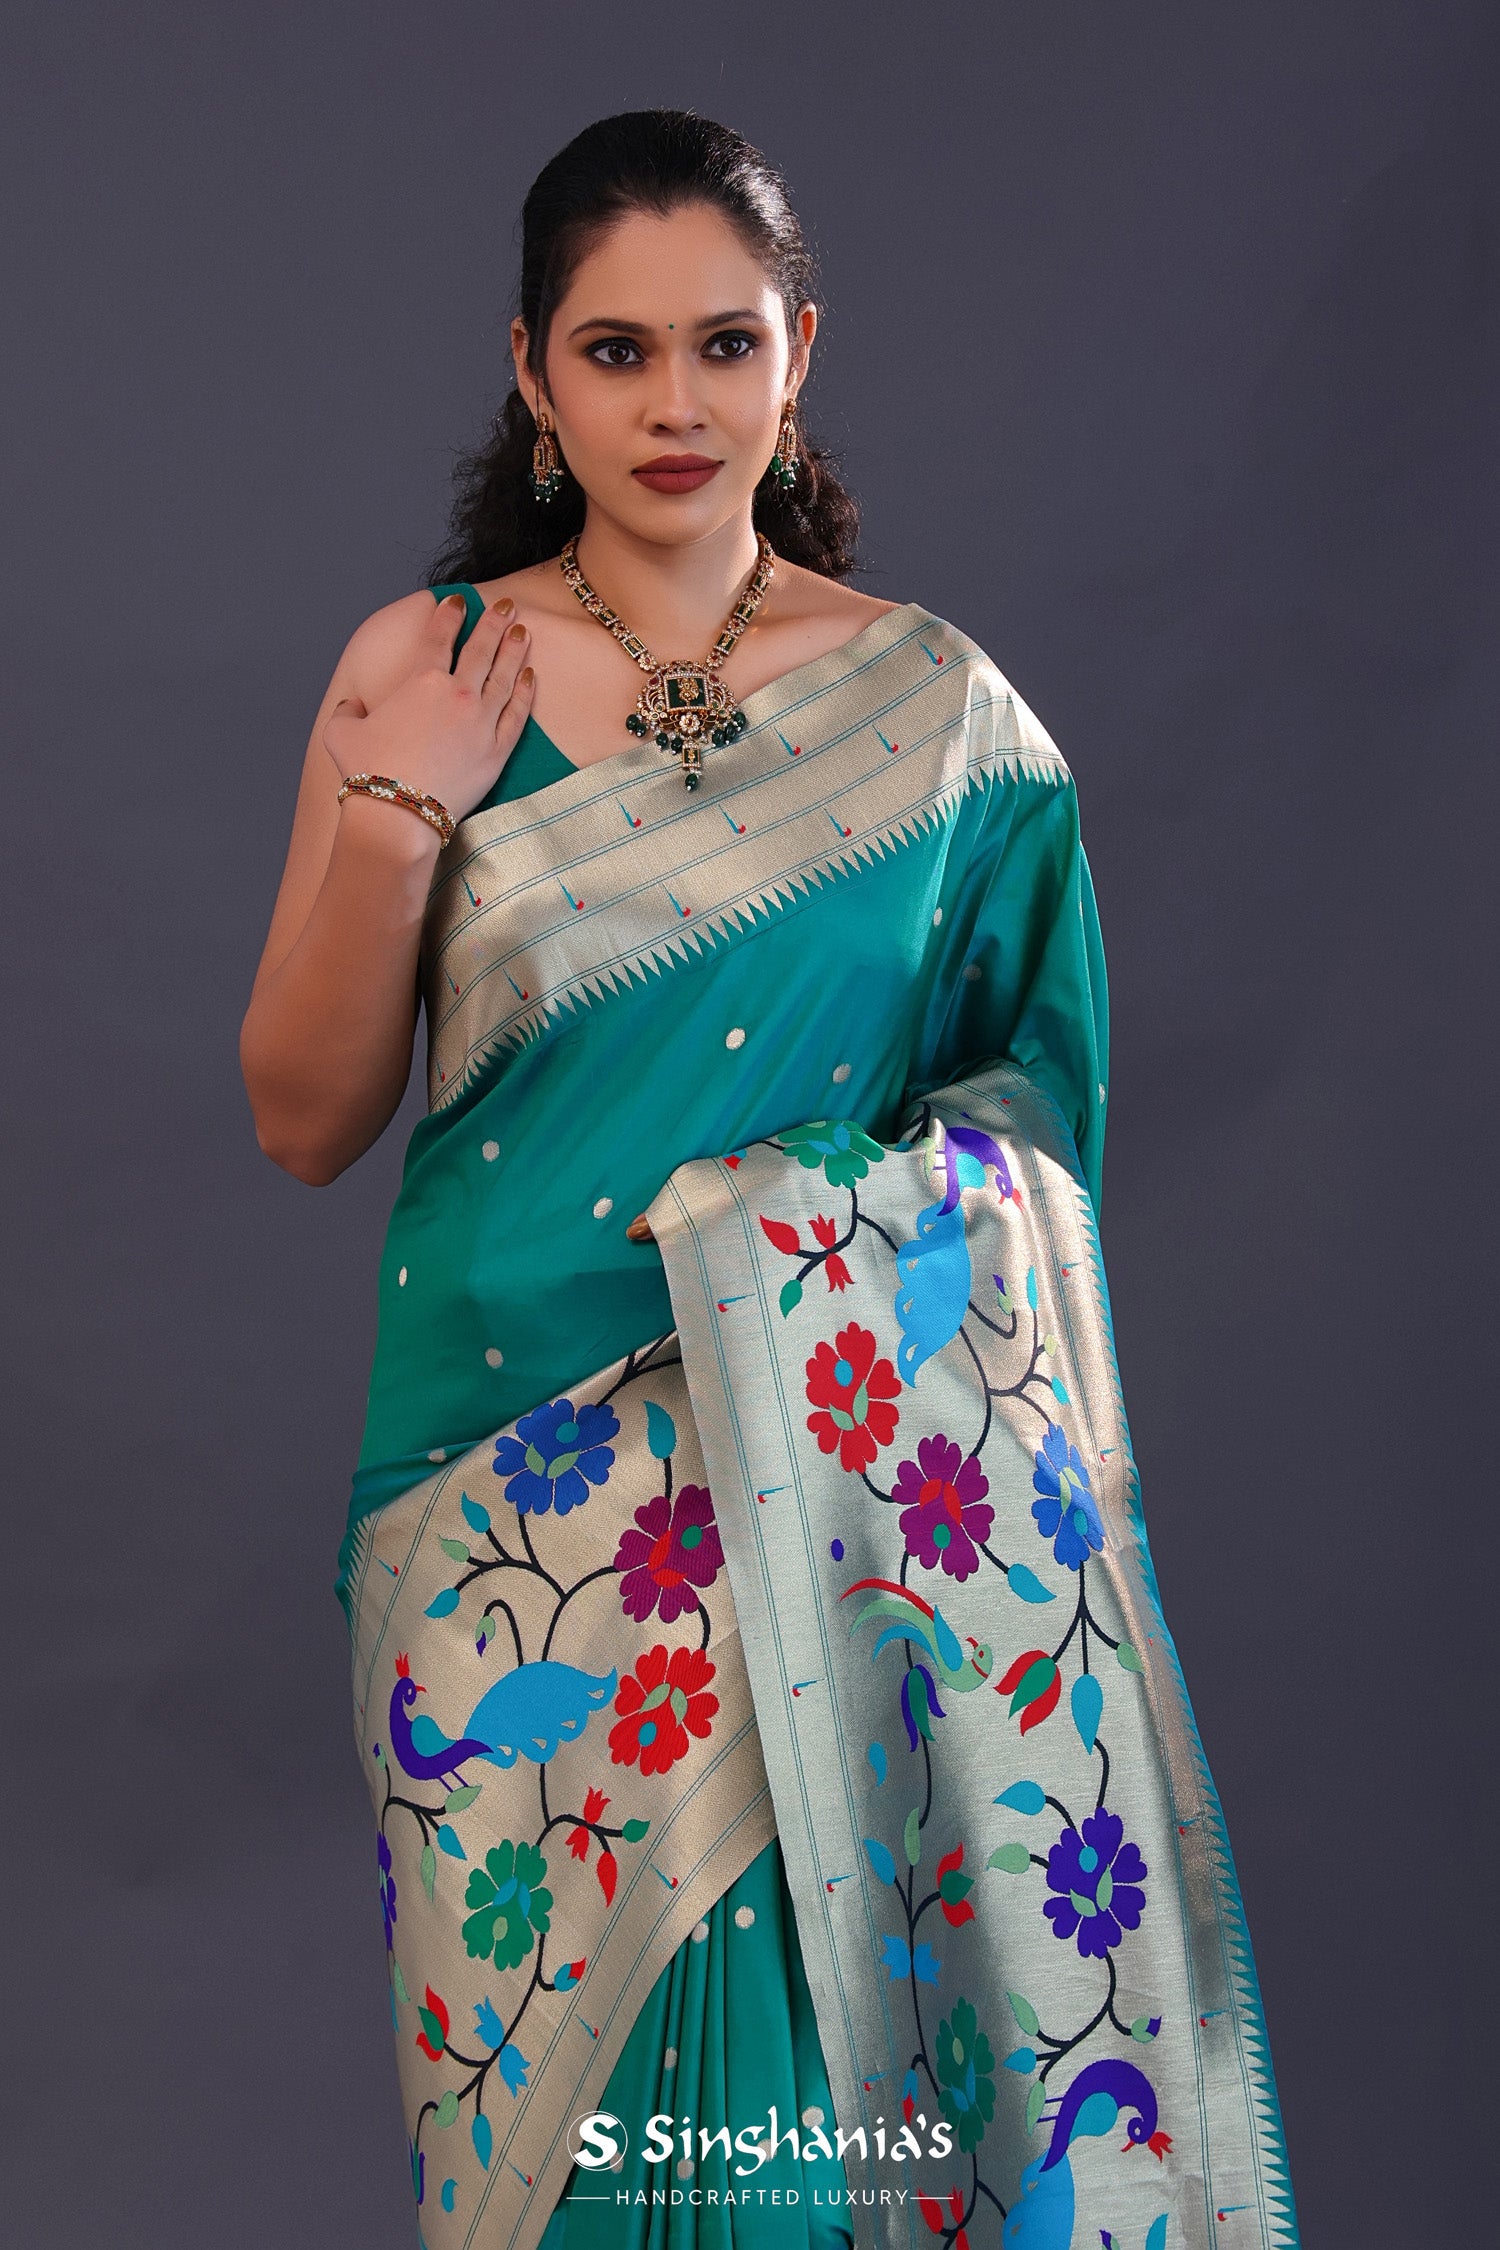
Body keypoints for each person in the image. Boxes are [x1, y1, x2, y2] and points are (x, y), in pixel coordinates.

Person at [242, 110, 1298, 2250]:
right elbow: (303, 1115)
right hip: (503, 1536)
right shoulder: (422, 672)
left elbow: (1034, 1125)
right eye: (615, 351)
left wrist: (781, 1223)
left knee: (824, 2152)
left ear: (799, 353)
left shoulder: (941, 719)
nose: (675, 403)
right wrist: (399, 817)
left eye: (723, 345)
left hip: (829, 1533)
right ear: (532, 373)